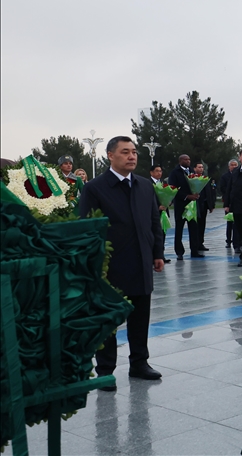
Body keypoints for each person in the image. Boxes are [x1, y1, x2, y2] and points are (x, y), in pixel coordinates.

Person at [78, 136, 164, 390]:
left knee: (140, 316)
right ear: (110, 156)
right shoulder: (95, 188)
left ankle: (139, 363)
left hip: (141, 261)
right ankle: (105, 370)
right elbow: (87, 227)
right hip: (111, 266)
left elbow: (154, 223)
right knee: (109, 320)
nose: (132, 156)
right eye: (125, 152)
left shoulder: (145, 186)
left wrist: (157, 253)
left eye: (134, 152)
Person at [167, 154, 202, 260]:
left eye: (189, 159)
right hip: (181, 205)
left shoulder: (192, 171)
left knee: (194, 228)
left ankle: (194, 250)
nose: (188, 161)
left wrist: (196, 194)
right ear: (180, 161)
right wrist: (187, 196)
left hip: (192, 206)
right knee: (179, 229)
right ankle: (179, 252)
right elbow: (173, 188)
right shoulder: (174, 173)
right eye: (186, 159)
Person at [193, 161, 215, 252]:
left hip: (204, 204)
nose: (201, 169)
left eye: (202, 167)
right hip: (195, 205)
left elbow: (210, 192)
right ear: (194, 168)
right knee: (196, 225)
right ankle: (195, 243)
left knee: (202, 225)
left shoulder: (206, 178)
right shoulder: (192, 178)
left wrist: (211, 205)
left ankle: (200, 242)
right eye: (199, 167)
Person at [220, 160, 238, 248]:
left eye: (235, 165)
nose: (234, 166)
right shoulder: (225, 176)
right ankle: (228, 240)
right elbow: (222, 188)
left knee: (238, 223)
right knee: (230, 222)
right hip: (229, 202)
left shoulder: (239, 174)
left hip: (238, 202)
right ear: (229, 167)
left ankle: (238, 241)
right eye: (232, 165)